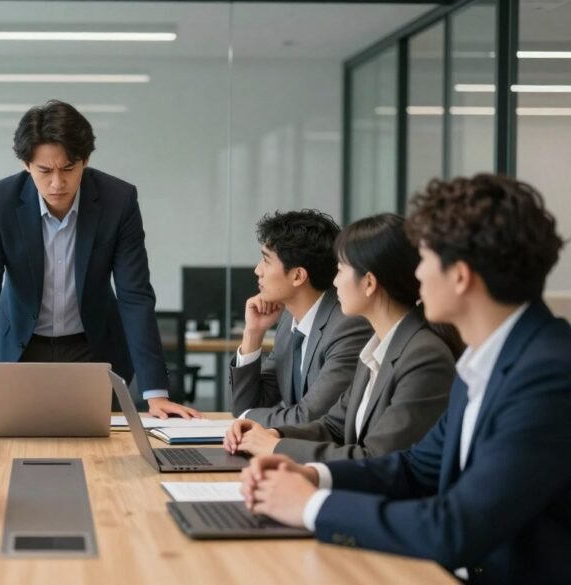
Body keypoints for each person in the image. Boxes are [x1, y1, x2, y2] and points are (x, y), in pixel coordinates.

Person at [240, 174, 570, 585]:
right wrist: (312, 476)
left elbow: (455, 527)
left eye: (425, 259)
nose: (416, 275)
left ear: (461, 276)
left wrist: (311, 507)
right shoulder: (485, 361)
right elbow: (416, 469)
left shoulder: (548, 375)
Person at [0, 100, 198, 418]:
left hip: (93, 348)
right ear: (26, 165)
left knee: (98, 450)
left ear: (86, 160)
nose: (57, 183)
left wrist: (156, 393)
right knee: (13, 446)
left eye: (69, 168)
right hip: (20, 349)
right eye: (44, 170)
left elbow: (134, 295)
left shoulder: (118, 201)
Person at [224, 213, 460, 462]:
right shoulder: (376, 348)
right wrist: (273, 433)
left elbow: (376, 459)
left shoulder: (422, 355)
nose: (334, 283)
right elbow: (333, 426)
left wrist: (275, 447)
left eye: (340, 270)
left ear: (368, 283)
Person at [229, 210, 371, 426]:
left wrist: (243, 419)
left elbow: (309, 417)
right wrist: (253, 333)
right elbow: (249, 403)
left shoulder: (347, 326)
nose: (258, 270)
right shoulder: (289, 322)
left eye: (266, 260)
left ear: (298, 276)